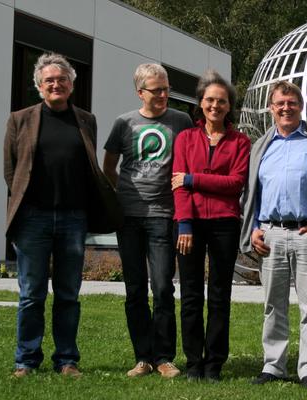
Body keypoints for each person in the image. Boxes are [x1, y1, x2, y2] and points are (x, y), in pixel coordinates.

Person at [4, 52, 121, 378]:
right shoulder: (20, 119)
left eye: (62, 79)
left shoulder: (86, 119)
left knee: (69, 294)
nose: (56, 84)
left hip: (73, 220)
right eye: (49, 80)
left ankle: (66, 360)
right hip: (33, 220)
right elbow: (11, 171)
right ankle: (25, 361)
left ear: (71, 84)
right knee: (31, 295)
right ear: (39, 86)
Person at [240, 80, 307, 389]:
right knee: (273, 304)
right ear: (271, 108)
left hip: (306, 234)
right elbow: (251, 192)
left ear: (301, 106)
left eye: (291, 102)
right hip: (270, 235)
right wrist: (255, 228)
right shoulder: (261, 145)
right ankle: (273, 365)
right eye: (279, 103)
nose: (285, 108)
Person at [103, 63, 193, 378]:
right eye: (157, 90)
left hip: (163, 216)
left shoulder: (181, 121)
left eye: (166, 88)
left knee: (164, 287)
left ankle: (164, 357)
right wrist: (125, 194)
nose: (164, 94)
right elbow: (109, 166)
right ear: (140, 92)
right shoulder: (123, 124)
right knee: (135, 289)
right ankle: (143, 357)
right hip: (129, 217)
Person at [171, 70, 250, 381]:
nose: (215, 105)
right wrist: (185, 225)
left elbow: (235, 183)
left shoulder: (240, 142)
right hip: (190, 225)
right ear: (200, 104)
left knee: (220, 295)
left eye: (221, 101)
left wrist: (194, 178)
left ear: (229, 105)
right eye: (209, 100)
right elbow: (178, 186)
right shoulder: (185, 138)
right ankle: (193, 363)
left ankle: (214, 363)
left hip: (224, 225)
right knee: (190, 295)